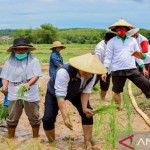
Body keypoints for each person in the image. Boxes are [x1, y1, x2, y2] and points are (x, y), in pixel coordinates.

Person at [42, 53, 106, 149]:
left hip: (76, 92)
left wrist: (84, 107)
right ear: (78, 66)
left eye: (89, 71)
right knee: (48, 118)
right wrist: (65, 117)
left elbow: (86, 91)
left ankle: (87, 141)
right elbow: (60, 97)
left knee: (87, 113)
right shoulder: (64, 72)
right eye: (84, 70)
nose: (87, 73)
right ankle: (52, 143)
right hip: (55, 92)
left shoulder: (93, 75)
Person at [102, 18, 150, 110]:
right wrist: (105, 71)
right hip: (117, 70)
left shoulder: (132, 40)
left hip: (131, 68)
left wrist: (143, 67)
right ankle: (119, 108)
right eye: (119, 29)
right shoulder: (112, 42)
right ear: (115, 30)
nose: (121, 31)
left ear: (127, 30)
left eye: (123, 29)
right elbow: (108, 58)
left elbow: (137, 55)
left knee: (146, 84)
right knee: (117, 91)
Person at [0, 38, 42, 138]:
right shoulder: (9, 62)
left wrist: (28, 84)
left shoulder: (34, 60)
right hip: (14, 92)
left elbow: (36, 75)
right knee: (12, 117)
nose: (21, 51)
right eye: (18, 49)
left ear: (27, 50)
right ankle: (10, 139)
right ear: (14, 50)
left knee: (34, 116)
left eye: (23, 49)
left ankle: (35, 138)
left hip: (30, 91)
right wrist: (5, 86)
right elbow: (5, 76)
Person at [94, 32, 116, 100]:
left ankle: (102, 99)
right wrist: (101, 72)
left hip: (108, 69)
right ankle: (82, 98)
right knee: (91, 84)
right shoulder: (100, 48)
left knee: (105, 85)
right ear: (106, 39)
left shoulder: (113, 45)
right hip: (98, 69)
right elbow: (97, 61)